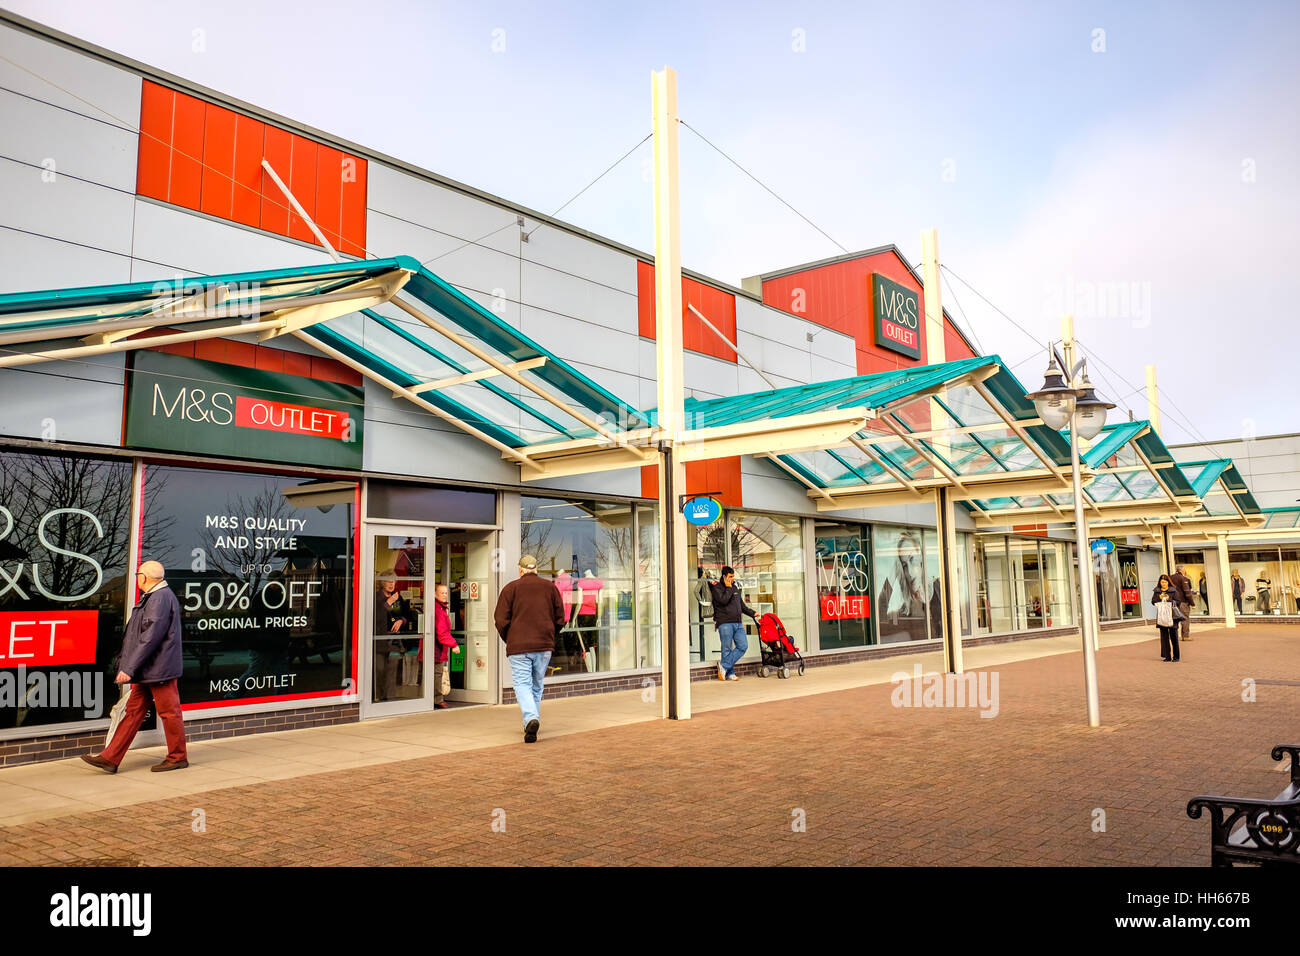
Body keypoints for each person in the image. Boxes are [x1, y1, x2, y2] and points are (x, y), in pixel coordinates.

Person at [81, 560, 188, 773]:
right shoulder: (155, 597)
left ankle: (177, 757)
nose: (137, 578)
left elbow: (149, 637)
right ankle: (110, 758)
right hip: (149, 669)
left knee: (169, 712)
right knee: (133, 712)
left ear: (144, 578)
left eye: (138, 574)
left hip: (158, 670)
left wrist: (129, 668)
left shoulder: (159, 598)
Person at [494, 555, 565, 743]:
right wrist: (550, 635)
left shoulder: (510, 589)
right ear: (537, 569)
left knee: (522, 684)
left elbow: (500, 620)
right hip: (544, 645)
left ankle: (531, 719)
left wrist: (510, 638)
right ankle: (531, 723)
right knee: (536, 684)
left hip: (519, 647)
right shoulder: (550, 588)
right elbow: (560, 618)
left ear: (520, 570)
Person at [374, 571, 418, 701]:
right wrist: (388, 603)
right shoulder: (377, 597)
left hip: (394, 642)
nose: (391, 584)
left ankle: (390, 698)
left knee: (392, 671)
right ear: (382, 583)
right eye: (388, 581)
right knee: (379, 670)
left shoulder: (398, 598)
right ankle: (378, 696)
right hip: (380, 640)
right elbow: (376, 616)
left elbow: (408, 615)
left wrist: (401, 621)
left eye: (393, 581)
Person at [709, 565, 758, 681]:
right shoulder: (717, 588)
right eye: (730, 577)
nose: (732, 579)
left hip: (737, 623)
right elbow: (723, 600)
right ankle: (729, 673)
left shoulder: (735, 588)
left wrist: (752, 613)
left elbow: (741, 606)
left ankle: (724, 666)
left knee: (743, 646)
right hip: (725, 623)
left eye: (733, 576)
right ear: (724, 576)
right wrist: (728, 587)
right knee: (726, 649)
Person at [428, 583, 460, 709]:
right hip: (436, 650)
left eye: (446, 592)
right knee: (437, 674)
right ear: (435, 594)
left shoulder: (440, 608)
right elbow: (442, 633)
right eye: (442, 593)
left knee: (436, 673)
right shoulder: (439, 610)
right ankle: (437, 699)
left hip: (436, 649)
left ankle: (433, 698)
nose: (445, 595)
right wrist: (454, 645)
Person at [1152, 573, 1182, 663]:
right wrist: (1159, 598)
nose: (1163, 584)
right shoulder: (1157, 591)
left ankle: (1176, 656)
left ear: (1168, 582)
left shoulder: (1173, 590)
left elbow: (1178, 602)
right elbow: (1153, 601)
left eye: (1165, 582)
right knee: (1164, 637)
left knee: (1174, 636)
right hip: (1162, 616)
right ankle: (1167, 656)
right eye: (1162, 582)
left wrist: (1169, 599)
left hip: (1172, 616)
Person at [1170, 564, 1194, 643]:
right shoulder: (1184, 579)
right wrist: (1192, 603)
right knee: (1185, 618)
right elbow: (1187, 592)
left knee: (1173, 619)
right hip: (1182, 602)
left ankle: (1173, 636)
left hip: (1172, 602)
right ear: (1183, 570)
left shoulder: (1170, 578)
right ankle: (1185, 636)